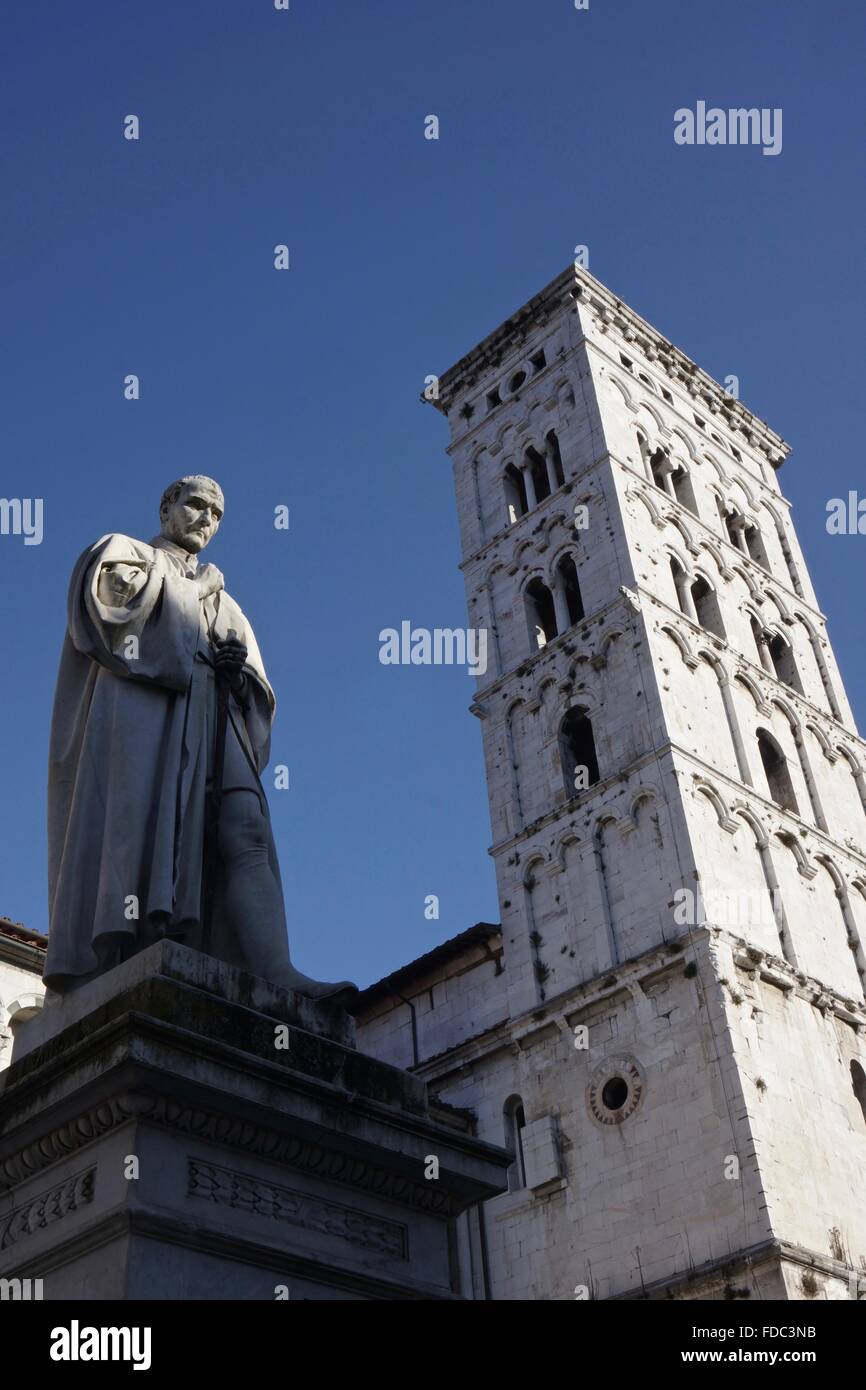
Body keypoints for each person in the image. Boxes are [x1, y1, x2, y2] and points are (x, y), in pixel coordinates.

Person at [45, 474, 355, 1004]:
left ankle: (276, 969)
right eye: (196, 505)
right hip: (147, 720)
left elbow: (257, 688)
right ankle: (132, 953)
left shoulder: (228, 602)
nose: (206, 520)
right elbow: (111, 613)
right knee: (140, 830)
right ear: (167, 507)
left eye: (216, 514)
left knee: (247, 825)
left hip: (217, 715)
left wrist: (238, 676)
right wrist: (197, 590)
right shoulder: (125, 551)